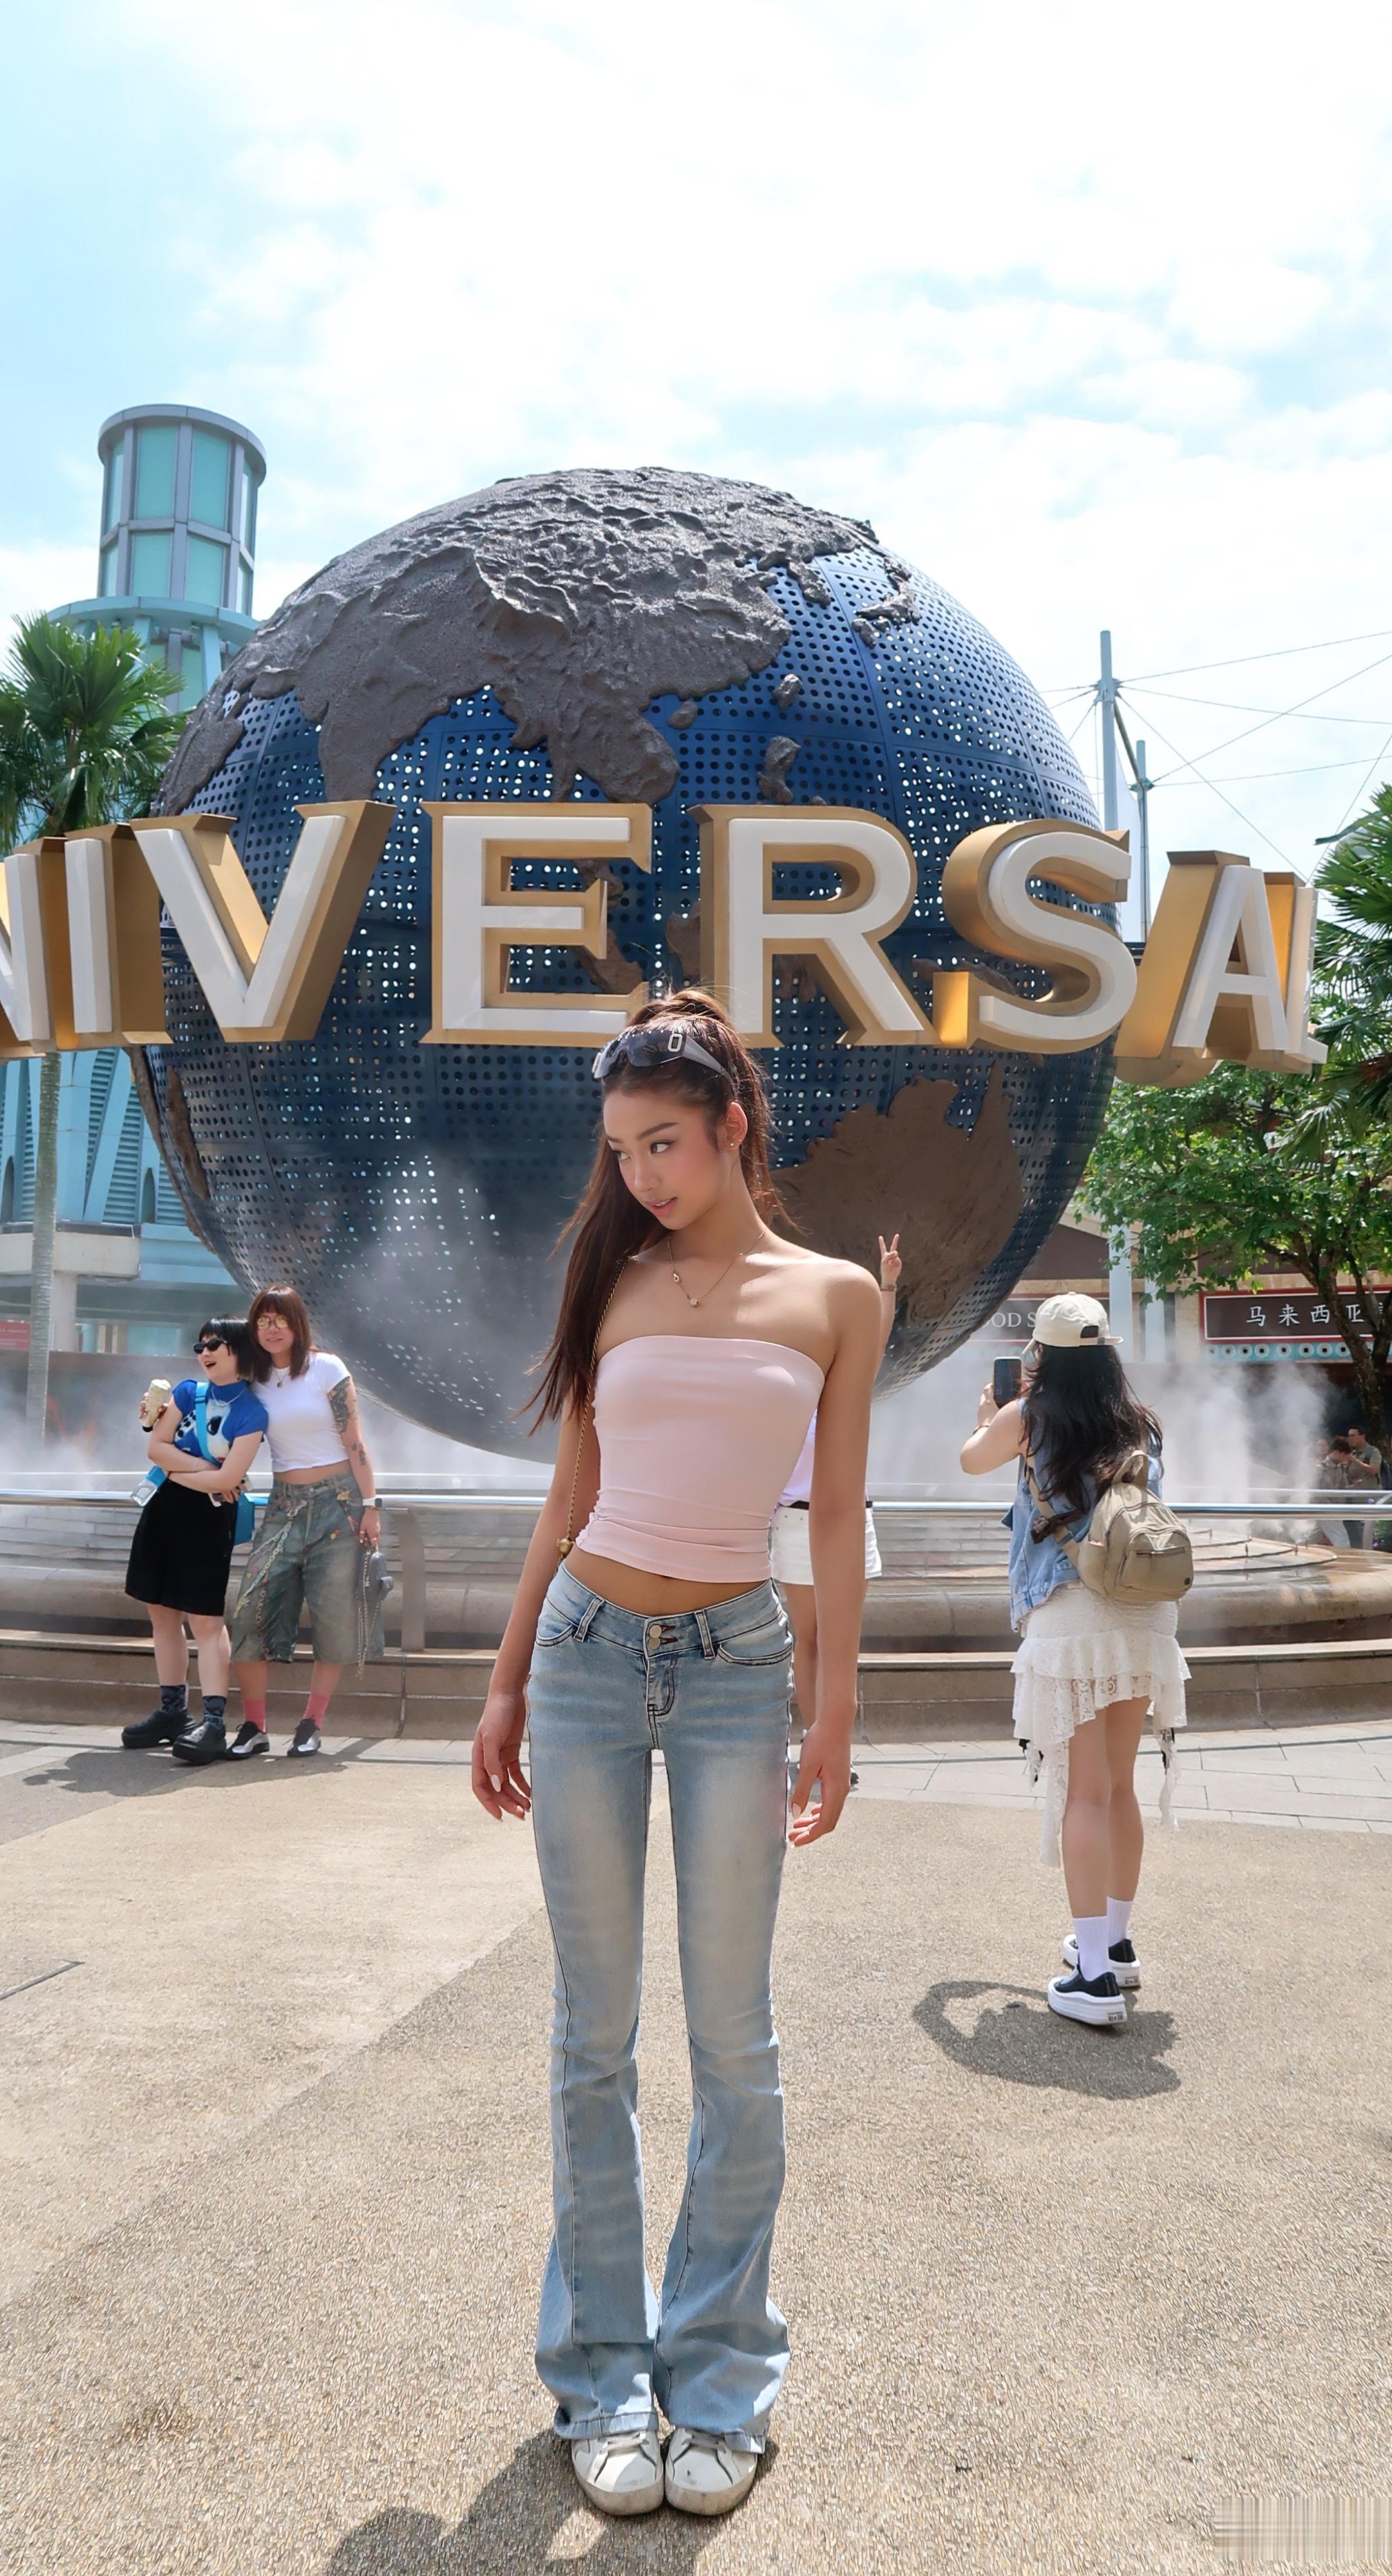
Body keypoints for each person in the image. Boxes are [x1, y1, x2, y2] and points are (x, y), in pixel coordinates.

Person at [471, 990, 876, 2521]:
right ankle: (599, 2377)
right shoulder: (611, 1277)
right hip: (584, 1656)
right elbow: (566, 1496)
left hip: (736, 1674)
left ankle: (717, 2376)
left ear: (731, 1127)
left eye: (663, 1142)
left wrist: (833, 1706)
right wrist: (504, 1680)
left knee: (733, 2041)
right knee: (591, 2036)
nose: (640, 1174)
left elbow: (832, 1517)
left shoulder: (835, 1296)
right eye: (621, 1149)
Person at [959, 1290, 1188, 2030]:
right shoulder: (1136, 1421)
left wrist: (990, 1414)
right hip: (1142, 1612)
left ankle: (1092, 1980)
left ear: (1041, 1355)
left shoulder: (1028, 1416)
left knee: (1081, 1793)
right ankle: (1114, 1944)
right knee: (1118, 1786)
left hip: (1073, 1615)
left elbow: (970, 1460)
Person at [227, 1285, 384, 1760]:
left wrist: (371, 1505)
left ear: (298, 1324)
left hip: (339, 1502)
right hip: (283, 1505)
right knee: (249, 1610)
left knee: (333, 1615)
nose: (272, 1329)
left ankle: (312, 1723)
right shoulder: (252, 1379)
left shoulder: (326, 1369)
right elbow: (227, 1429)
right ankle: (254, 1726)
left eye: (281, 1320)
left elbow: (354, 1441)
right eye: (263, 1321)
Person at [121, 1318, 268, 1764]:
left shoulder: (253, 1412)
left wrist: (178, 1470)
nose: (205, 1353)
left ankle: (214, 1722)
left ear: (240, 1350)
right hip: (164, 1511)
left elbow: (228, 1479)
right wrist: (205, 1472)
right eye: (200, 1346)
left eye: (215, 1344)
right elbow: (156, 1449)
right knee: (161, 1612)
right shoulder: (187, 1392)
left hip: (208, 1519)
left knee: (205, 1621)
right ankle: (173, 1713)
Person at [769, 1231, 900, 1728]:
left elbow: (875, 1340)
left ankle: (835, 1743)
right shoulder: (783, 1393)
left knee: (840, 1640)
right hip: (797, 1522)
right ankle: (814, 1735)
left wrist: (887, 1285)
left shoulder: (849, 1390)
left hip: (850, 1520)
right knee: (809, 1639)